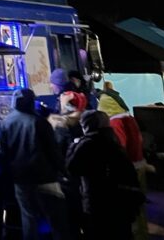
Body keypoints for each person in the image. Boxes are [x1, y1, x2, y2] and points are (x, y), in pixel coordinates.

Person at [0, 87, 71, 240]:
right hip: (45, 178)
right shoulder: (39, 122)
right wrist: (64, 171)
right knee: (57, 219)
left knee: (29, 219)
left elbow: (3, 154)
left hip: (21, 180)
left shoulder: (6, 122)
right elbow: (52, 150)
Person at [66, 110, 143, 240]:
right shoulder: (113, 139)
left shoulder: (86, 144)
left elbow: (71, 167)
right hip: (120, 202)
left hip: (96, 202)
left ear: (87, 125)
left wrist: (73, 146)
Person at [98, 88, 148, 240]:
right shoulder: (129, 118)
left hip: (129, 170)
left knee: (130, 209)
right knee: (139, 207)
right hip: (138, 164)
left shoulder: (115, 122)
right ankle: (142, 234)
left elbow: (120, 147)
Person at [49, 91, 87, 233]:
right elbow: (63, 154)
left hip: (65, 179)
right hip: (66, 181)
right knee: (71, 219)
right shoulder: (63, 128)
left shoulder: (60, 124)